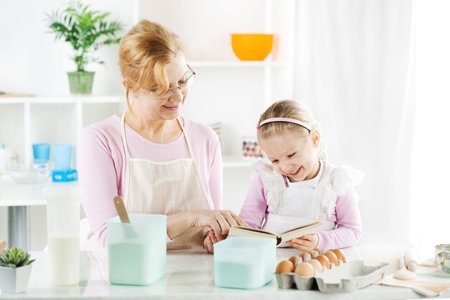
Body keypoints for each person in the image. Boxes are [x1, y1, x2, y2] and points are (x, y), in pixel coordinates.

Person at [78, 19, 244, 253]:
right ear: (130, 87)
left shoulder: (205, 139)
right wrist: (188, 218)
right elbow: (111, 240)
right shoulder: (100, 140)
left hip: (194, 281)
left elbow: (211, 228)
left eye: (183, 81)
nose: (177, 98)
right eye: (161, 89)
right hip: (127, 278)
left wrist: (215, 238)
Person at [239, 100, 363, 251]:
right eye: (275, 160)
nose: (285, 167)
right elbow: (247, 225)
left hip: (316, 261)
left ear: (315, 138)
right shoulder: (267, 177)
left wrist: (320, 241)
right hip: (271, 260)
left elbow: (353, 231)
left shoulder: (336, 180)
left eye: (291, 155)